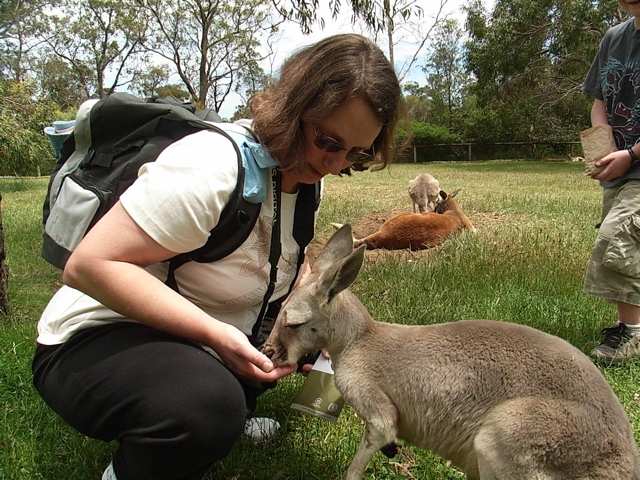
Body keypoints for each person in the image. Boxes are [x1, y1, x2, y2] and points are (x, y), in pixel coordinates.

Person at [31, 33, 404, 480]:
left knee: (294, 347)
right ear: (294, 109)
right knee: (205, 407)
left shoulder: (306, 180)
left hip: (198, 337)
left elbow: (286, 267)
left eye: (355, 154)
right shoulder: (212, 165)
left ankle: (225, 400)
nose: (334, 164)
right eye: (328, 141)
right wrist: (218, 337)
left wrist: (326, 330)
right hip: (96, 337)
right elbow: (89, 266)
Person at [583, 0, 640, 364]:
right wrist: (603, 146)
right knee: (630, 244)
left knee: (618, 237)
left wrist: (632, 155)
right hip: (619, 168)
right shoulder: (614, 38)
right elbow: (600, 97)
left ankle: (633, 334)